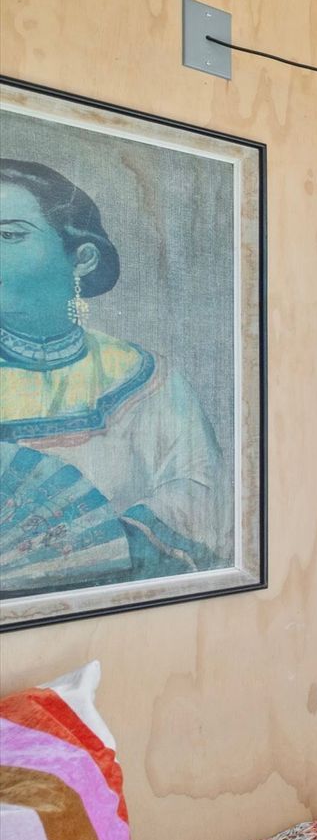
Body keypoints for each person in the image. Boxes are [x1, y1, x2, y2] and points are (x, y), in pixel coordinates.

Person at [0, 158, 228, 588]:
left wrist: (111, 544)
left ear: (82, 258)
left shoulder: (143, 376)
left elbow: (204, 491)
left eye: (9, 235)